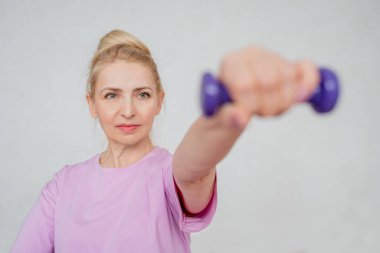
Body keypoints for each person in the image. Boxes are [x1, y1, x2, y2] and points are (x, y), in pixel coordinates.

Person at [10, 29, 319, 253]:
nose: (128, 110)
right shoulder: (63, 186)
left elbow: (194, 168)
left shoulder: (165, 175)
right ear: (92, 104)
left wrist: (227, 112)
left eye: (142, 94)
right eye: (111, 95)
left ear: (159, 101)